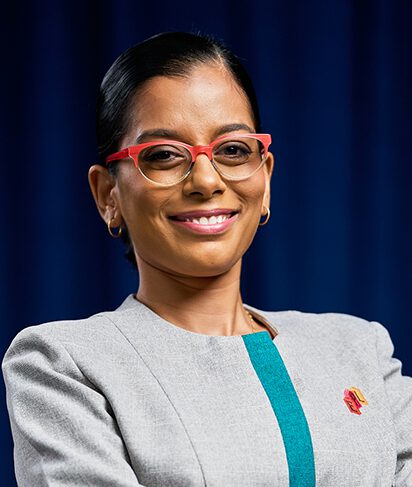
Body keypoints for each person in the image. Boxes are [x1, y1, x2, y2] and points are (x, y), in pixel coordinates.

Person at [2, 31, 411, 487]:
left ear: (265, 179)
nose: (206, 180)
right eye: (163, 155)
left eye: (233, 150)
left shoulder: (359, 349)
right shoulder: (65, 364)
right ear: (107, 195)